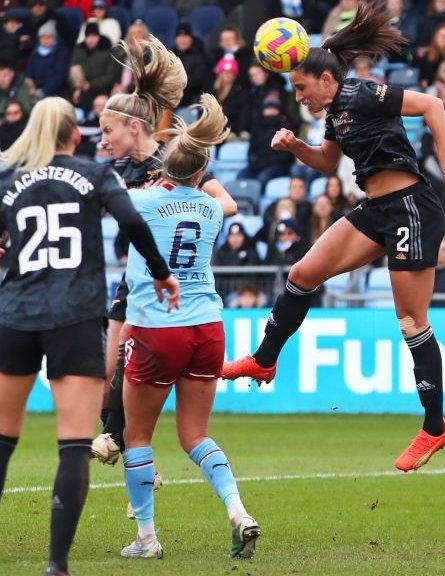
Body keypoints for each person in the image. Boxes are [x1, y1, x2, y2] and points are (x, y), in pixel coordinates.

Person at [221, 2, 445, 472]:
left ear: (327, 81)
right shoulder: (335, 114)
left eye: (301, 88)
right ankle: (264, 360)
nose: (298, 97)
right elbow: (326, 161)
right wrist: (297, 146)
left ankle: (435, 427)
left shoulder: (360, 94)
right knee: (302, 273)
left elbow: (433, 105)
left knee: (411, 321)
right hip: (376, 209)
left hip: (411, 208)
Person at [0, 96, 179, 576]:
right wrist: (160, 272)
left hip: (16, 318)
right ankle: (56, 565)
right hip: (74, 320)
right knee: (74, 446)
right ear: (75, 136)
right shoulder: (95, 175)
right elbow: (133, 221)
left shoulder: (8, 185)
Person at [118, 92, 259, 561]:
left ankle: (147, 538)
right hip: (208, 327)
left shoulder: (140, 199)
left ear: (163, 170)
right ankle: (238, 510)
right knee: (195, 435)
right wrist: (193, 175)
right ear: (200, 173)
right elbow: (224, 200)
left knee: (137, 436)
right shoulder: (212, 207)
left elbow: (105, 195)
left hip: (158, 327)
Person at [92, 35, 236, 470]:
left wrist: (158, 200)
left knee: (127, 374)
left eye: (107, 131)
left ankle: (127, 450)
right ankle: (129, 451)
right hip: (133, 282)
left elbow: (226, 204)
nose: (102, 141)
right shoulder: (114, 169)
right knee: (108, 376)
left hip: (173, 291)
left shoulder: (175, 160)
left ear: (132, 128)